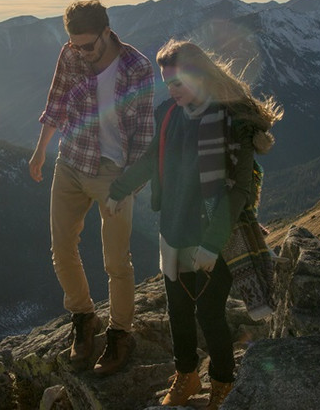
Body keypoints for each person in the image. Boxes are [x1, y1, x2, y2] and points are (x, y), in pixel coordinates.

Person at [106, 39, 282, 408]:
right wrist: (120, 189)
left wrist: (213, 243)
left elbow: (239, 192)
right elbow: (153, 157)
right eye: (167, 83)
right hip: (174, 228)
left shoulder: (233, 121)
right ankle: (186, 377)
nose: (172, 90)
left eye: (179, 82)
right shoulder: (169, 114)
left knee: (209, 312)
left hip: (216, 232)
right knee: (179, 310)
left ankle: (222, 383)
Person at [29, 0, 155, 375]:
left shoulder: (137, 67)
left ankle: (120, 334)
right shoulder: (70, 55)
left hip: (113, 172)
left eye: (88, 45)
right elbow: (56, 103)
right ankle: (84, 318)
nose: (80, 52)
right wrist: (40, 152)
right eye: (74, 45)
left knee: (117, 261)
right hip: (71, 160)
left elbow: (144, 132)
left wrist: (128, 186)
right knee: (62, 248)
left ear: (106, 32)